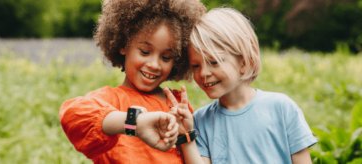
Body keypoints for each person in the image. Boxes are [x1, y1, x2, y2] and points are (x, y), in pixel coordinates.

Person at [59, 0, 206, 163]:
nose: (154, 65)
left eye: (166, 57)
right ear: (123, 45)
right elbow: (72, 115)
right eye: (144, 52)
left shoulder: (177, 105)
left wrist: (185, 137)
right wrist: (135, 123)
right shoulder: (110, 100)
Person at [165, 7, 317, 164]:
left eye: (214, 62)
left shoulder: (282, 108)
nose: (203, 73)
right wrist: (186, 136)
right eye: (196, 66)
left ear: (244, 62)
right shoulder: (200, 121)